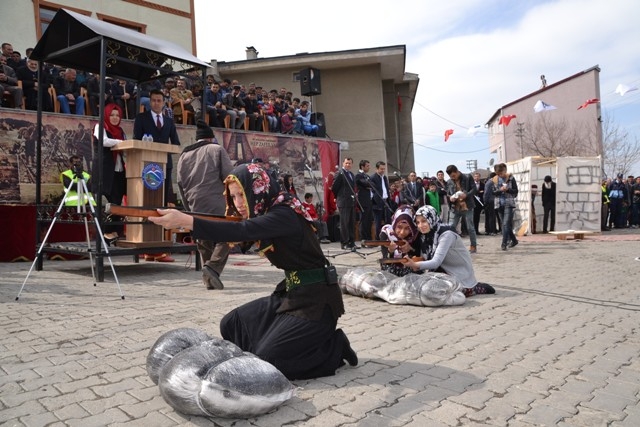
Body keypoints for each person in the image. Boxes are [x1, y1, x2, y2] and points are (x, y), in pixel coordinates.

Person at [148, 162, 358, 380]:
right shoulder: (268, 211)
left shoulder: (284, 213)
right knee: (232, 323)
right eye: (234, 196)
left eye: (242, 194)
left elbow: (243, 230)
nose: (238, 203)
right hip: (291, 296)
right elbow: (238, 227)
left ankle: (334, 348)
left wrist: (187, 221)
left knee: (271, 359)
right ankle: (268, 347)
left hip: (317, 304)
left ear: (258, 188)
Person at [178, 120, 233, 290]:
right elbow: (230, 178)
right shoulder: (216, 149)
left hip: (194, 204)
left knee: (204, 241)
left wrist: (188, 209)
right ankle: (212, 268)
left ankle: (209, 280)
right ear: (210, 139)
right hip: (217, 203)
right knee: (229, 235)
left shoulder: (183, 156)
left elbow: (180, 184)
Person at [133, 89, 181, 262]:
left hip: (164, 166)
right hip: (146, 167)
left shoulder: (168, 121)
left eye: (159, 100)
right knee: (146, 203)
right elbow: (136, 141)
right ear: (149, 102)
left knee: (161, 205)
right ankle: (146, 247)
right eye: (153, 100)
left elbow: (175, 143)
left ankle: (158, 249)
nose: (156, 103)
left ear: (163, 102)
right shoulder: (141, 118)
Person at [404, 205, 495, 297]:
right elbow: (424, 257)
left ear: (432, 218)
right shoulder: (427, 235)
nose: (420, 226)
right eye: (418, 222)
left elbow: (436, 262)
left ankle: (473, 288)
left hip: (458, 272)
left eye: (424, 221)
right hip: (443, 271)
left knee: (443, 292)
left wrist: (415, 265)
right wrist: (410, 249)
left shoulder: (446, 234)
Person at [91, 103, 127, 244]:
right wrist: (121, 142)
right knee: (107, 201)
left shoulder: (120, 130)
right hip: (104, 171)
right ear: (106, 115)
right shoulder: (100, 126)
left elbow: (123, 148)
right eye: (112, 115)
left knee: (116, 202)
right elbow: (105, 142)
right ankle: (106, 231)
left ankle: (112, 231)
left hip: (118, 171)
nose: (114, 118)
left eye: (117, 115)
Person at [445, 165, 478, 253]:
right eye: (451, 177)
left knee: (470, 227)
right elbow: (447, 193)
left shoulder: (467, 177)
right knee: (450, 227)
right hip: (455, 207)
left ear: (457, 171)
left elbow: (474, 189)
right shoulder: (449, 182)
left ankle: (473, 246)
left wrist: (466, 195)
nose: (453, 178)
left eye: (454, 176)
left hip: (467, 206)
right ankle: (449, 246)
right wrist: (450, 198)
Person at [379, 205, 419, 277]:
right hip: (391, 271)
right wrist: (390, 251)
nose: (402, 232)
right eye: (399, 227)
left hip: (410, 273)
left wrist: (410, 249)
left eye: (407, 228)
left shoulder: (416, 234)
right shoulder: (386, 232)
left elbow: (421, 258)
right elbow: (384, 260)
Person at [331, 157, 357, 250]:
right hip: (343, 201)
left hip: (351, 201)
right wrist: (339, 196)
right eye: (346, 163)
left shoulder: (351, 174)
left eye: (349, 163)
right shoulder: (340, 173)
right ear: (343, 163)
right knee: (344, 223)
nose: (348, 165)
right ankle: (344, 242)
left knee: (351, 222)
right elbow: (334, 187)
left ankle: (351, 242)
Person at [492, 163, 518, 251]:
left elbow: (516, 191)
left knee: (506, 223)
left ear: (505, 170)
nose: (500, 175)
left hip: (509, 203)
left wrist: (508, 190)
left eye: (501, 173)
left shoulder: (511, 178)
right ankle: (514, 240)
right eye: (498, 174)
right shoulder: (494, 180)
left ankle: (504, 243)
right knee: (504, 224)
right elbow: (493, 192)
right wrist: (500, 190)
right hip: (499, 204)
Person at [371, 161, 392, 239]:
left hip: (386, 201)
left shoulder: (385, 177)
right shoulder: (373, 178)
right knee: (378, 222)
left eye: (384, 169)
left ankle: (388, 237)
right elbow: (372, 192)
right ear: (377, 169)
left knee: (388, 221)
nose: (383, 170)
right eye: (381, 169)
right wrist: (375, 201)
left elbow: (386, 189)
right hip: (377, 203)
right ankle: (378, 239)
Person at [355, 160, 373, 242]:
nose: (369, 167)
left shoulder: (367, 176)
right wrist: (368, 185)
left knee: (369, 220)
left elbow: (372, 184)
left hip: (369, 200)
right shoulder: (358, 175)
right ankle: (364, 238)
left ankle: (368, 238)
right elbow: (365, 184)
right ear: (362, 166)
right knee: (364, 220)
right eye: (367, 166)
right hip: (363, 200)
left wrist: (369, 185)